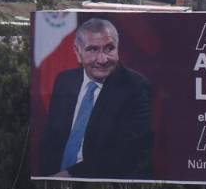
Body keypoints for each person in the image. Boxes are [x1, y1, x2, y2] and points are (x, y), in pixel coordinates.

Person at [36, 17, 153, 179]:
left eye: (109, 49)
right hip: (52, 181)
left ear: (118, 48)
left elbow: (126, 154)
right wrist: (44, 178)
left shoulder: (135, 87)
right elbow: (50, 140)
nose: (102, 59)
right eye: (92, 50)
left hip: (102, 182)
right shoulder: (64, 81)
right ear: (78, 52)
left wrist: (70, 175)